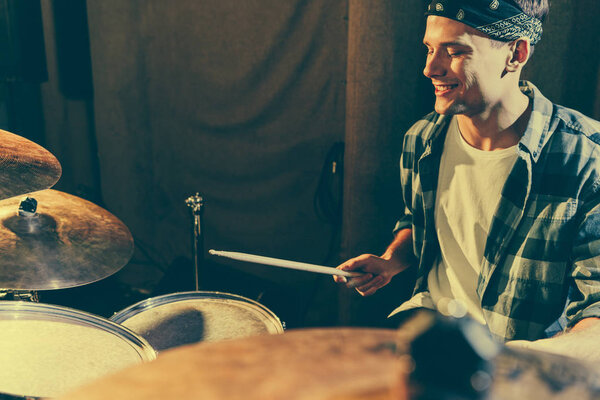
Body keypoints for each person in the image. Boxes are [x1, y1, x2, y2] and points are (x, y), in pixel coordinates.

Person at [334, 0, 600, 360]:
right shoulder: (422, 137)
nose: (430, 68)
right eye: (429, 49)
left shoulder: (588, 158)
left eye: (455, 51)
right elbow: (420, 220)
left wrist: (523, 363)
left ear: (516, 53)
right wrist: (391, 260)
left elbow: (596, 312)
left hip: (523, 367)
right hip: (428, 335)